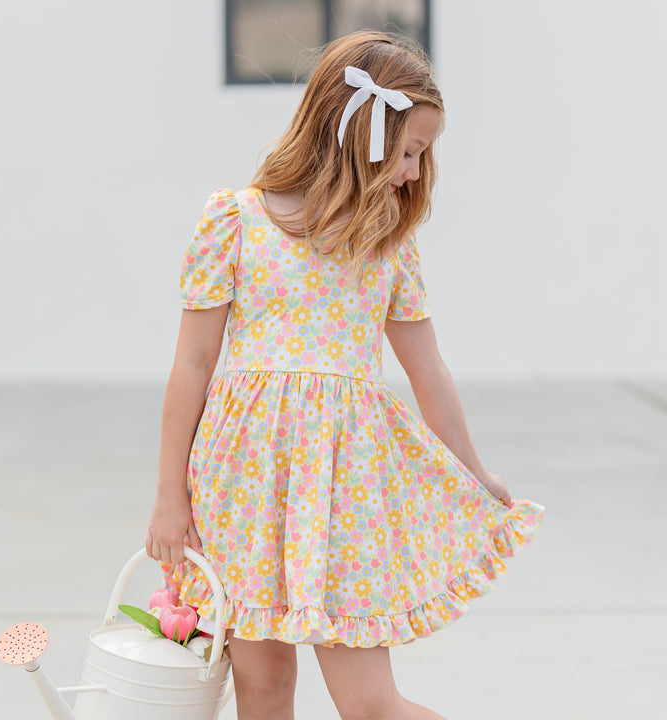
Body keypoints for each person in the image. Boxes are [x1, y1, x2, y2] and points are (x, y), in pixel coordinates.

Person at [146, 30, 544, 720]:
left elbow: (428, 372)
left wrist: (473, 470)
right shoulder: (234, 222)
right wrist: (167, 498)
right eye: (413, 151)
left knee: (371, 706)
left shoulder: (386, 241)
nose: (417, 172)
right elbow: (192, 365)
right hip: (240, 484)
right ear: (361, 134)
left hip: (345, 492)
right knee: (262, 690)